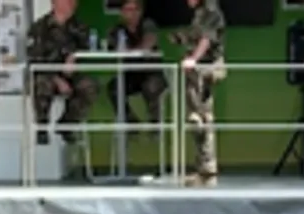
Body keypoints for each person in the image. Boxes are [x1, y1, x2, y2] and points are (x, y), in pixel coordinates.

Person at [27, 0, 98, 144]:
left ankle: (67, 124)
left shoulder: (80, 27)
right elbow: (35, 59)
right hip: (47, 74)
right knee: (42, 84)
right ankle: (41, 127)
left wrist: (75, 58)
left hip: (71, 74)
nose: (72, 4)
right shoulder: (39, 28)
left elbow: (87, 49)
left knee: (90, 86)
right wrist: (57, 80)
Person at [171, 0, 226, 186]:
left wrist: (193, 59)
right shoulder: (200, 12)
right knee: (200, 121)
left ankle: (208, 171)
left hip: (208, 67)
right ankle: (204, 170)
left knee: (201, 118)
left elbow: (206, 39)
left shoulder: (210, 10)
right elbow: (197, 36)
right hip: (200, 70)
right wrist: (181, 38)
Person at [106, 0, 167, 133]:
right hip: (131, 74)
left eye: (135, 10)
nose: (132, 14)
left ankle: (155, 123)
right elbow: (112, 49)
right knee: (113, 88)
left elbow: (148, 43)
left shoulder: (148, 24)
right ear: (122, 13)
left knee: (151, 87)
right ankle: (130, 122)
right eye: (128, 10)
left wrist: (130, 51)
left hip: (151, 71)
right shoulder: (116, 30)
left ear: (140, 12)